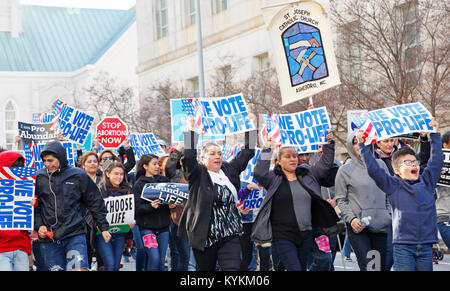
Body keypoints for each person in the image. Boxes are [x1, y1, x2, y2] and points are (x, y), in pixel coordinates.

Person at [356, 118, 443, 271]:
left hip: (426, 245)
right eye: (407, 163)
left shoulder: (427, 182)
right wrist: (363, 144)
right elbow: (373, 169)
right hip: (403, 246)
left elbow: (436, 161)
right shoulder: (393, 185)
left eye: (415, 162)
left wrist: (435, 134)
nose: (413, 165)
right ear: (396, 170)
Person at [178, 116, 256, 271]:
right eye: (212, 154)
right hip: (205, 235)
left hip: (230, 233)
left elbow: (247, 153)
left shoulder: (229, 170)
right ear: (202, 158)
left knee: (232, 269)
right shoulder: (197, 174)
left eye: (219, 153)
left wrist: (251, 127)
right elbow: (187, 158)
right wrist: (192, 131)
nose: (217, 156)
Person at [251, 137, 340, 271]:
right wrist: (267, 149)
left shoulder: (308, 174)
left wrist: (329, 144)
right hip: (282, 235)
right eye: (288, 157)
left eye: (295, 156)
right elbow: (259, 172)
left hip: (306, 233)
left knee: (302, 267)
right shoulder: (273, 178)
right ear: (279, 161)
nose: (293, 159)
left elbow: (325, 165)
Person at [34, 140, 111, 271]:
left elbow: (95, 202)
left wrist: (103, 227)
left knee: (80, 269)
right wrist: (39, 225)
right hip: (49, 236)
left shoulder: (78, 175)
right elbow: (35, 206)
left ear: (60, 157)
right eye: (45, 161)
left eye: (51, 160)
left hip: (74, 233)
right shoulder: (39, 176)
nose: (48, 164)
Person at [335, 132, 392, 271]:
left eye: (363, 140)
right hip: (359, 227)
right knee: (369, 267)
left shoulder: (381, 165)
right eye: (355, 141)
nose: (359, 144)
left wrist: (388, 214)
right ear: (349, 144)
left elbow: (389, 192)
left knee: (380, 267)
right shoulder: (344, 170)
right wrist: (352, 219)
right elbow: (340, 199)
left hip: (381, 224)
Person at [132, 154, 171, 271]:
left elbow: (170, 200)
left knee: (160, 262)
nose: (157, 166)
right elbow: (137, 208)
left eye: (158, 164)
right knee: (154, 257)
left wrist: (172, 204)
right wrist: (150, 206)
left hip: (163, 227)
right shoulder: (139, 184)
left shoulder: (164, 181)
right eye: (154, 164)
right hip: (146, 228)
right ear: (145, 166)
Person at [96, 162, 135, 271]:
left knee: (116, 266)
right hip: (103, 234)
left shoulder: (127, 190)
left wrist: (132, 220)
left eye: (121, 174)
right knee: (110, 264)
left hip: (120, 233)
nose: (119, 177)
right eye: (116, 174)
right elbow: (92, 211)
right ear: (108, 174)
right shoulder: (99, 190)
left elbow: (131, 210)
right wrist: (98, 226)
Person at [0, 151, 32, 271]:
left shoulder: (26, 186)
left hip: (21, 245)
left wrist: (34, 202)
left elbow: (32, 211)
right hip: (2, 247)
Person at [164, 143, 192, 271]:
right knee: (181, 254)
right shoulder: (176, 175)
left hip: (196, 220)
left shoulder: (199, 174)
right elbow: (169, 167)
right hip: (178, 220)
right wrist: (177, 151)